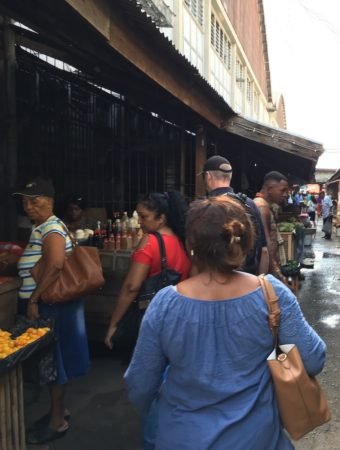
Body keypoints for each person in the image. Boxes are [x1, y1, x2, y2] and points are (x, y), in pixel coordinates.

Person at [124, 196, 326, 450]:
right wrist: (271, 345)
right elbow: (314, 359)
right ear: (245, 241)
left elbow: (139, 385)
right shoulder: (271, 295)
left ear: (190, 245)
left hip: (182, 438)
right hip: (256, 440)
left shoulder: (165, 304)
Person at [14, 177, 90, 445]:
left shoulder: (51, 228)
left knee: (54, 363)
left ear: (50, 202)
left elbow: (56, 264)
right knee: (55, 361)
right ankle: (60, 411)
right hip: (53, 304)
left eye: (35, 201)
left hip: (50, 305)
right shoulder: (45, 226)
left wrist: (34, 300)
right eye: (25, 202)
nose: (29, 207)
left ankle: (57, 422)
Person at [104, 191, 191, 350]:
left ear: (161, 218)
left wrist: (114, 324)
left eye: (144, 217)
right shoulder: (182, 241)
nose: (139, 222)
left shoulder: (149, 242)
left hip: (153, 319)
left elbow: (131, 287)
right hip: (179, 318)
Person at [201, 155, 268, 275]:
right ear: (230, 177)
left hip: (214, 280)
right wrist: (260, 280)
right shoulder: (250, 204)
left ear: (207, 176)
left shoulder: (204, 208)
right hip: (249, 279)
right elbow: (264, 250)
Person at [254, 171, 289, 284]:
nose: (285, 194)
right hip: (265, 271)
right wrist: (277, 272)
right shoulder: (262, 207)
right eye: (282, 190)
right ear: (269, 188)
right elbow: (266, 244)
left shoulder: (264, 205)